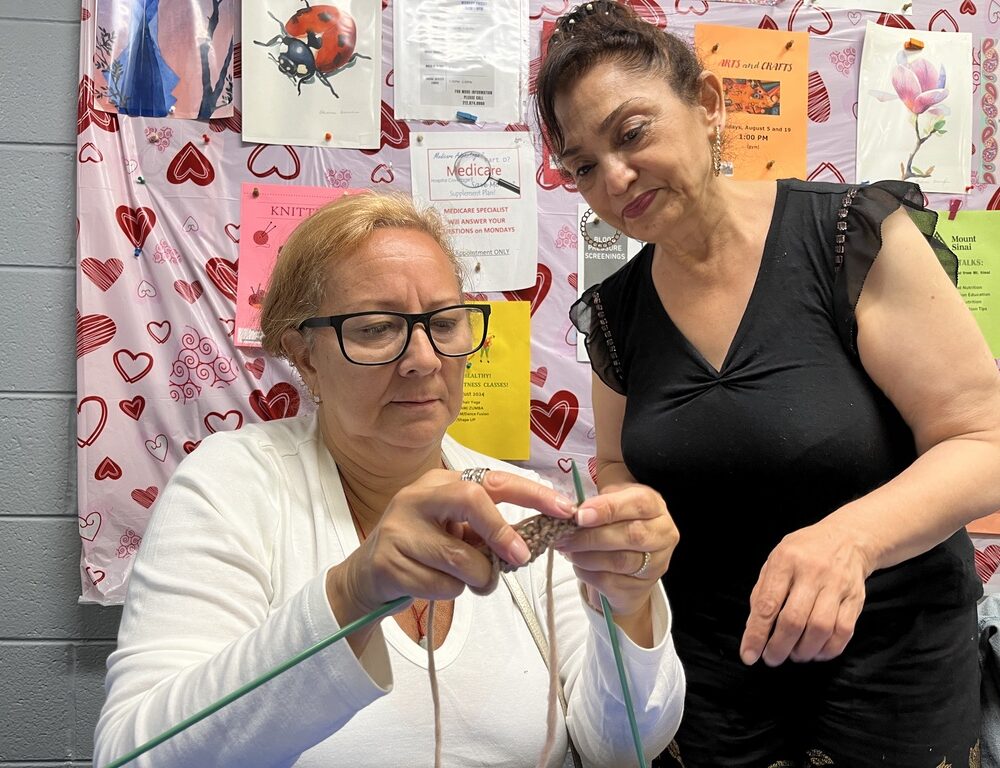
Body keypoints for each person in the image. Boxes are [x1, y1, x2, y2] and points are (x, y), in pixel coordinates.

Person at [535, 3, 1000, 766]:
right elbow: (619, 464)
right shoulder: (617, 314)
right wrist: (624, 518)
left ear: (708, 106)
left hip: (891, 664)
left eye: (632, 133)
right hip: (716, 672)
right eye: (583, 166)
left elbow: (983, 441)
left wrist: (851, 539)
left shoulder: (848, 235)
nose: (614, 177)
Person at [93, 191, 685, 767]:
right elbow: (132, 754)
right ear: (305, 356)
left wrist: (626, 605)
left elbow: (620, 748)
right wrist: (351, 594)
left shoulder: (515, 504)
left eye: (445, 322)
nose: (424, 359)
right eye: (376, 328)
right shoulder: (232, 490)